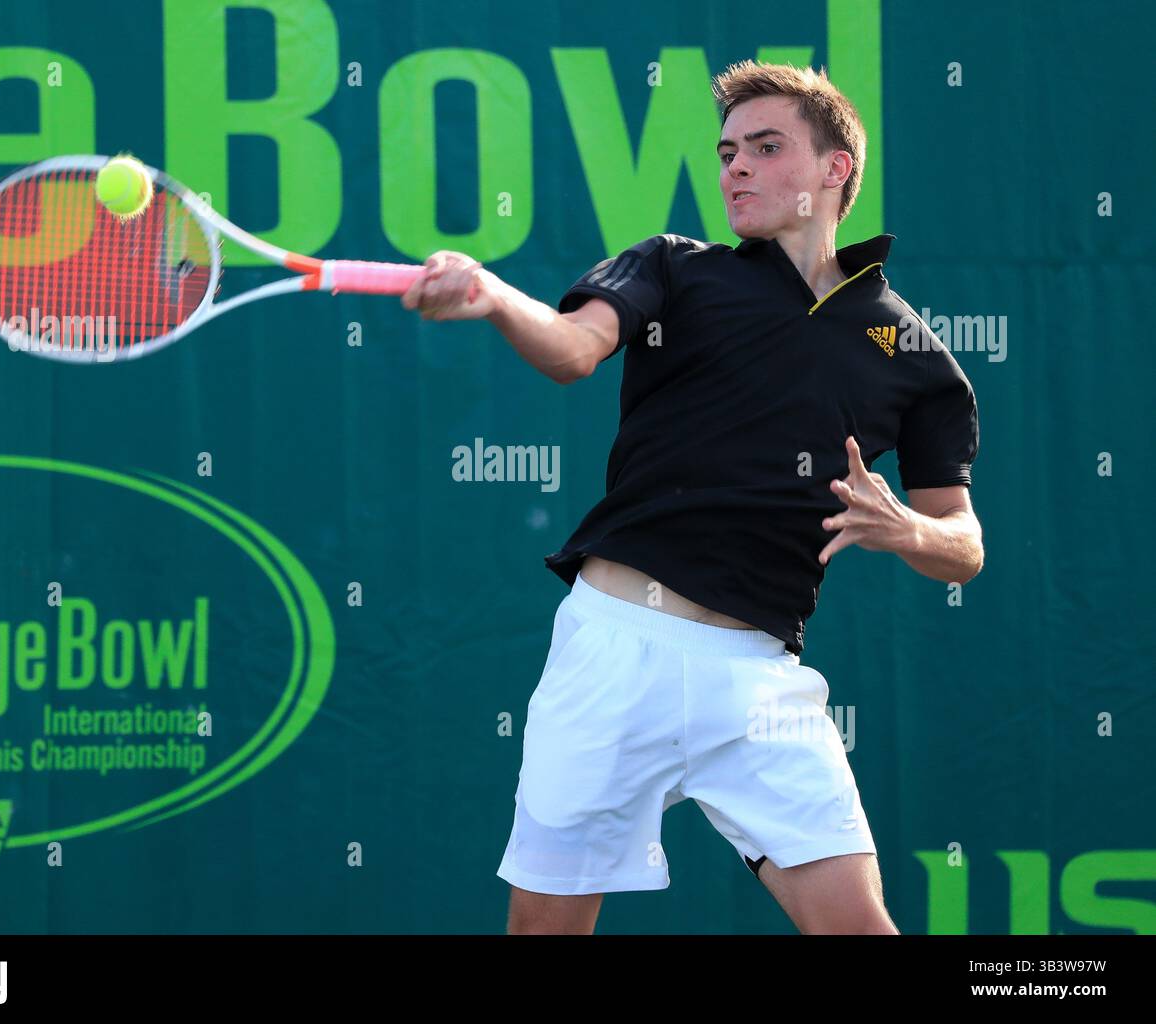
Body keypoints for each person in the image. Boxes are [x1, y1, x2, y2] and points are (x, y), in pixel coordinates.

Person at [401, 60, 982, 935]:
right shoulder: (674, 270)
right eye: (726, 152)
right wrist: (491, 294)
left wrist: (903, 527)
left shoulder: (910, 351)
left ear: (835, 171)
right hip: (612, 651)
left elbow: (963, 541)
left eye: (765, 146)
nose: (735, 168)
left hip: (758, 680)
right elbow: (568, 349)